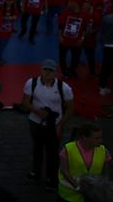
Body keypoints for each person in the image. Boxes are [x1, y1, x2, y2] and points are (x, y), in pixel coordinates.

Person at [22, 59, 75, 190]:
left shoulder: (64, 88)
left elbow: (70, 108)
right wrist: (37, 112)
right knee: (37, 148)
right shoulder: (31, 83)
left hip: (55, 124)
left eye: (50, 70)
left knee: (53, 151)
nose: (47, 73)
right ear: (41, 70)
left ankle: (52, 177)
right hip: (35, 122)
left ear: (55, 72)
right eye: (45, 70)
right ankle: (36, 172)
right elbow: (25, 102)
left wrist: (60, 123)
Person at [58, 123, 110, 202]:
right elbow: (64, 170)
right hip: (68, 195)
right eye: (97, 138)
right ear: (84, 137)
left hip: (92, 194)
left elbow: (105, 172)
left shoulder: (103, 150)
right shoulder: (68, 149)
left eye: (101, 137)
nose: (101, 141)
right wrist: (78, 187)